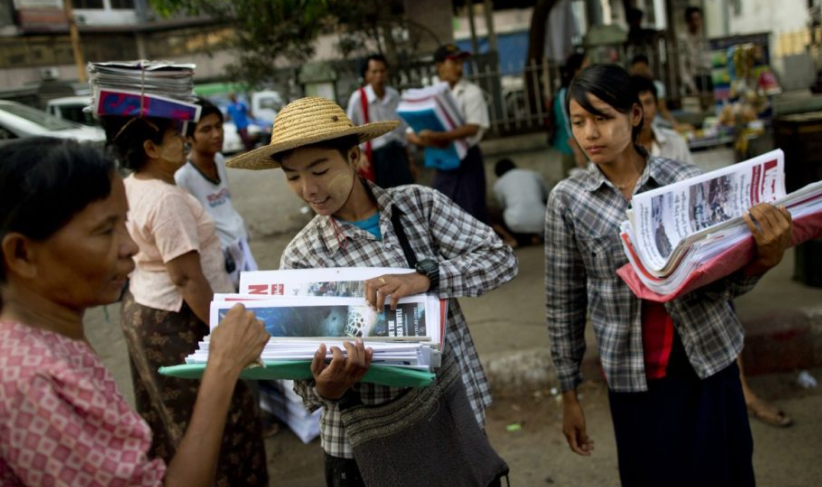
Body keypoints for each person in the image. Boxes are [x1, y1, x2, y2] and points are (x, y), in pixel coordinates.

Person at [226, 96, 518, 487]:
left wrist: (426, 277)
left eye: (319, 169)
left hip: (450, 417)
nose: (309, 188)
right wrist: (327, 386)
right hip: (363, 445)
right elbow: (304, 380)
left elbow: (500, 258)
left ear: (353, 156)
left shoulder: (418, 207)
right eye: (293, 176)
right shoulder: (301, 256)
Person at [545, 64, 793, 487]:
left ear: (636, 115)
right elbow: (563, 304)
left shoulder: (687, 182)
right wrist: (569, 394)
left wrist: (764, 259)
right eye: (579, 121)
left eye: (603, 117)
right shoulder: (568, 201)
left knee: (725, 475)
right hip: (634, 376)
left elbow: (723, 281)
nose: (590, 133)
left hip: (708, 362)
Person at [0, 137, 270, 487]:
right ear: (22, 254)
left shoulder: (52, 337)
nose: (129, 247)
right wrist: (222, 366)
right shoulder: (31, 383)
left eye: (124, 225)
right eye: (105, 230)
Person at [103, 115, 268, 485]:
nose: (185, 141)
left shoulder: (134, 185)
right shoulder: (166, 199)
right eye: (176, 136)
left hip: (145, 307)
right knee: (219, 417)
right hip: (178, 319)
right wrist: (226, 333)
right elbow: (186, 277)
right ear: (151, 149)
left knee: (169, 414)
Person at [631, 74, 794, 427]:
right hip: (654, 252)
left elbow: (694, 185)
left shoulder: (672, 141)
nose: (645, 110)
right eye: (638, 103)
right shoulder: (617, 156)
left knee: (720, 300)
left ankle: (743, 390)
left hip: (690, 240)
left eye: (649, 101)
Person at [176, 98, 258, 288]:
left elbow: (225, 205)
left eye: (218, 126)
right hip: (217, 259)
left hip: (240, 247)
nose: (216, 134)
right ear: (188, 137)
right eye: (205, 130)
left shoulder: (219, 160)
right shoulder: (183, 177)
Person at [407, 43, 491, 223]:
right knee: (443, 214)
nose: (459, 68)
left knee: (473, 214)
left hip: (467, 159)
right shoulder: (427, 93)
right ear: (439, 66)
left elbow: (473, 127)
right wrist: (427, 141)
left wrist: (441, 137)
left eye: (461, 63)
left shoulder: (471, 91)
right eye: (453, 63)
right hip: (442, 160)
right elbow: (409, 132)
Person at [346, 54, 416, 187]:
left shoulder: (393, 95)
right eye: (374, 71)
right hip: (376, 157)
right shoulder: (359, 98)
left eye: (382, 71)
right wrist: (359, 153)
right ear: (367, 74)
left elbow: (402, 129)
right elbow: (349, 129)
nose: (379, 75)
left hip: (397, 153)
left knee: (405, 193)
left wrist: (410, 159)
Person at [632, 75, 692, 162]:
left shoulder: (675, 141)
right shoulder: (620, 149)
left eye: (648, 102)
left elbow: (693, 174)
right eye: (638, 105)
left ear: (656, 106)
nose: (643, 110)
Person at [491, 158, 549, 248]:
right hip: (543, 221)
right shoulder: (534, 174)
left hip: (515, 226)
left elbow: (503, 206)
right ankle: (537, 236)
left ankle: (514, 239)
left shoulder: (499, 183)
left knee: (491, 213)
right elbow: (547, 196)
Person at [550, 52, 589, 177]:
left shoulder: (582, 90)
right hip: (572, 150)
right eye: (586, 66)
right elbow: (567, 122)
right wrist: (577, 152)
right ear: (576, 70)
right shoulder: (564, 94)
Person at [629, 54, 681, 129]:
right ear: (632, 69)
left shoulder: (657, 86)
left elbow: (663, 110)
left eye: (642, 69)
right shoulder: (626, 88)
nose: (644, 110)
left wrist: (675, 125)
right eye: (638, 70)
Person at [679, 6, 713, 100]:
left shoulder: (704, 38)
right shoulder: (683, 39)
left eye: (698, 19)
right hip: (693, 79)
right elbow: (683, 66)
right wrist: (692, 87)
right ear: (687, 21)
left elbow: (709, 60)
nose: (696, 23)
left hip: (707, 77)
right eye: (693, 20)